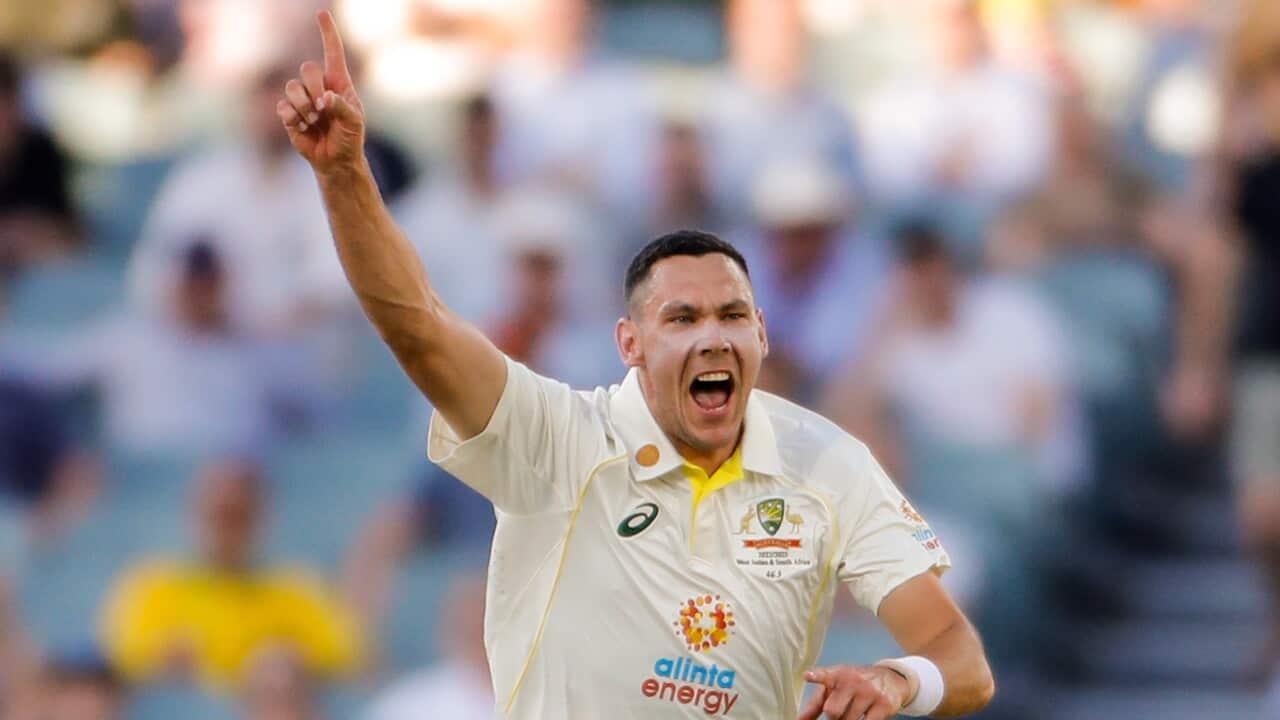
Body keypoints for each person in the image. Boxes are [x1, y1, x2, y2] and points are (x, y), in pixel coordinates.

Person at [276, 12, 994, 719]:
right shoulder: (558, 438)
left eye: (733, 316)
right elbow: (418, 328)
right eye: (681, 318)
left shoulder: (828, 462)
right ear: (630, 344)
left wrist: (901, 681)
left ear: (763, 335)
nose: (712, 338)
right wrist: (345, 178)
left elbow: (959, 657)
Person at [100, 459, 365, 690]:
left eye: (238, 516)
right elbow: (118, 668)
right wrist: (159, 670)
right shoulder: (152, 585)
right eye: (217, 515)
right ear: (193, 514)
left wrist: (298, 665)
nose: (225, 530)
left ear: (261, 518)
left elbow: (348, 664)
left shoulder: (297, 588)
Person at [364, 572, 494, 720]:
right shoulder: (408, 704)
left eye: (483, 623)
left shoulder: (523, 697)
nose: (479, 632)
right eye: (471, 629)